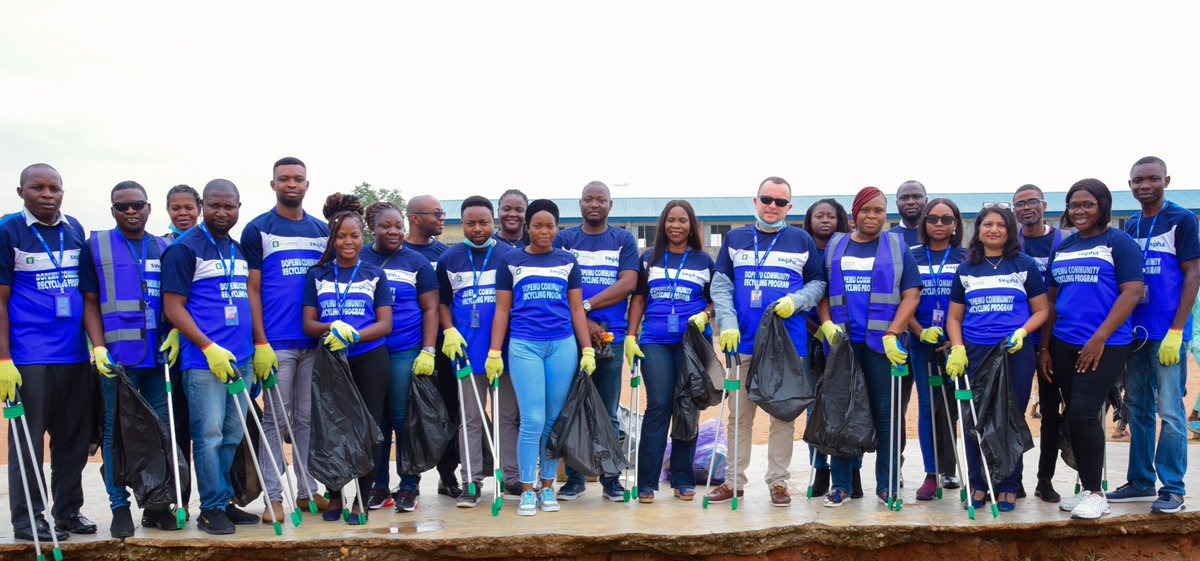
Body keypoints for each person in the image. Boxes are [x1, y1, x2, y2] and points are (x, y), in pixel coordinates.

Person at [706, 177, 826, 507]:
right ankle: (733, 482)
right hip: (743, 344)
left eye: (780, 202)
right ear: (755, 201)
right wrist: (727, 323)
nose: (772, 206)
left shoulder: (801, 240)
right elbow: (720, 287)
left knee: (783, 416)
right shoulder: (736, 238)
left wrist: (798, 300)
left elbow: (818, 284)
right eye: (766, 199)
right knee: (739, 417)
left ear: (789, 207)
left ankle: (778, 482)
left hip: (787, 347)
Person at [1, 163, 96, 542]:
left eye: (54, 188)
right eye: (37, 188)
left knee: (72, 442)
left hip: (73, 355)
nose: (46, 194)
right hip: (28, 358)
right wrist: (4, 359)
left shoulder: (74, 229)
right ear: (21, 191)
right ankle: (28, 519)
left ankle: (67, 512)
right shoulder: (9, 230)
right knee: (27, 443)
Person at [1039, 178, 1143, 520]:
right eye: (1073, 205)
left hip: (1106, 344)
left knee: (1084, 412)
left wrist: (1098, 338)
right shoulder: (1063, 247)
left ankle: (1097, 493)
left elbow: (1131, 292)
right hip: (1064, 344)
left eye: (1088, 204)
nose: (1080, 211)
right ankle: (1087, 489)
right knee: (1075, 414)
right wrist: (1045, 348)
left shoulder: (1119, 242)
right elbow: (1053, 302)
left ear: (1103, 206)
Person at [161, 179, 260, 534]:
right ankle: (210, 509)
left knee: (233, 434)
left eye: (229, 206)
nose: (223, 212)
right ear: (204, 206)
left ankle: (224, 500)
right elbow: (173, 307)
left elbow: (247, 296)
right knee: (209, 435)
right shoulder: (185, 249)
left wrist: (258, 346)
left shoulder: (236, 248)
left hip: (242, 359)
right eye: (215, 206)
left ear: (238, 207)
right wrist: (207, 346)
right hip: (204, 362)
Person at [80, 181, 177, 536]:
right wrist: (98, 346)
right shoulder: (96, 245)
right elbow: (90, 302)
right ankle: (119, 506)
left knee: (159, 432)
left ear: (149, 208)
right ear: (113, 211)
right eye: (122, 207)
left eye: (137, 205)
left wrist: (174, 333)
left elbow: (172, 299)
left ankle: (156, 505)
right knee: (115, 435)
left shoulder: (164, 247)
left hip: (157, 359)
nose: (131, 211)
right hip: (117, 362)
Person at [487, 199, 595, 516]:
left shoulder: (567, 261)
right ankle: (526, 490)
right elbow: (502, 310)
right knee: (532, 420)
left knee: (552, 420)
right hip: (524, 345)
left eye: (550, 226)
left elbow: (577, 309)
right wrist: (495, 350)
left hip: (562, 345)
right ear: (527, 227)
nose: (544, 231)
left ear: (556, 228)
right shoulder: (510, 261)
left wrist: (586, 347)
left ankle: (547, 488)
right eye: (537, 225)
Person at [818, 185, 921, 508]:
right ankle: (842, 486)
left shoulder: (897, 245)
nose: (872, 216)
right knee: (841, 414)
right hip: (843, 345)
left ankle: (887, 485)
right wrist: (825, 324)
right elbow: (822, 291)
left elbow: (911, 294)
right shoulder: (836, 245)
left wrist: (894, 332)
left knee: (885, 415)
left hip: (881, 345)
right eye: (866, 210)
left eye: (878, 210)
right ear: (854, 215)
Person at [241, 157, 331, 522]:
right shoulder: (257, 229)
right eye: (284, 179)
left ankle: (309, 491)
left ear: (307, 185)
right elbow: (252, 287)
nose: (291, 184)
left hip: (313, 342)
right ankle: (274, 498)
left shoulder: (321, 230)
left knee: (307, 420)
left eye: (298, 179)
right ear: (273, 184)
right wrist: (260, 341)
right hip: (276, 343)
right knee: (275, 421)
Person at [1108, 156, 1199, 514]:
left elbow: (1193, 275)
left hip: (1167, 333)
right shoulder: (1130, 225)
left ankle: (1173, 487)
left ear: (1166, 181)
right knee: (1138, 408)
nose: (1144, 185)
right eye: (1137, 181)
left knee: (1170, 410)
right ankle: (1141, 481)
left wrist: (1178, 330)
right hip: (1136, 333)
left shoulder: (1182, 220)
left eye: (1152, 179)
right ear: (1130, 185)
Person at [945, 205, 1048, 512]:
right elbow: (953, 317)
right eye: (987, 224)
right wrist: (958, 347)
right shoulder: (966, 269)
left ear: (1010, 229)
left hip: (1013, 352)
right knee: (975, 419)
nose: (993, 229)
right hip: (975, 352)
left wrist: (1022, 331)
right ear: (977, 230)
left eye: (1000, 225)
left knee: (1009, 418)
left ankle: (1008, 484)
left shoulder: (1024, 264)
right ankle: (978, 483)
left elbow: (1042, 309)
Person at [301, 193, 394, 525]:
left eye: (354, 235)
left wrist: (354, 333)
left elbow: (384, 323)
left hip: (369, 358)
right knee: (332, 428)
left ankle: (362, 501)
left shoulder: (375, 275)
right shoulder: (318, 275)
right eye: (341, 236)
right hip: (331, 361)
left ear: (362, 237)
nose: (348, 241)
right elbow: (308, 323)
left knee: (369, 429)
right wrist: (332, 327)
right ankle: (336, 496)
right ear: (333, 239)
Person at [553, 181, 640, 501]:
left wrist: (587, 307)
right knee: (572, 407)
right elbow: (557, 282)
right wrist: (581, 319)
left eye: (600, 200)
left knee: (608, 411)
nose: (594, 204)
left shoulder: (623, 239)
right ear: (580, 204)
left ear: (610, 205)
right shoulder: (565, 238)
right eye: (588, 199)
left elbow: (628, 282)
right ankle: (574, 478)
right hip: (570, 336)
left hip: (610, 338)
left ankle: (610, 478)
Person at [625, 200, 715, 503]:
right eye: (671, 220)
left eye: (683, 220)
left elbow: (715, 299)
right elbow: (638, 298)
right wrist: (630, 335)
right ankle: (647, 482)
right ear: (663, 224)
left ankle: (682, 479)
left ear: (692, 225)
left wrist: (706, 314)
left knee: (687, 406)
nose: (676, 226)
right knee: (659, 405)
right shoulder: (649, 257)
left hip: (692, 343)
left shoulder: (703, 260)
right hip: (654, 340)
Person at [435, 196, 518, 506]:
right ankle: (471, 481)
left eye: (484, 222)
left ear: (494, 222)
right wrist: (449, 330)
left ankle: (511, 477)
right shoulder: (449, 258)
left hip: (504, 353)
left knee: (508, 417)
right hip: (466, 352)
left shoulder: (511, 256)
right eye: (470, 223)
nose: (478, 228)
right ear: (462, 223)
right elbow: (442, 302)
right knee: (470, 418)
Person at [361, 201, 440, 514]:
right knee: (374, 420)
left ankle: (409, 484)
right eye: (385, 226)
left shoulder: (416, 261)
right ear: (373, 228)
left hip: (404, 350)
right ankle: (378, 485)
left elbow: (431, 308)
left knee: (403, 419)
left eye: (397, 226)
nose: (392, 232)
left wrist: (428, 349)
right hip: (367, 351)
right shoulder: (361, 257)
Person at [400, 194, 463, 499]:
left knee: (451, 411)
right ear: (414, 218)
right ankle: (408, 479)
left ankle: (447, 475)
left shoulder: (446, 254)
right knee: (409, 413)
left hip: (446, 346)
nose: (442, 218)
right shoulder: (398, 252)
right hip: (410, 347)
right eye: (436, 213)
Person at [906, 198, 966, 501]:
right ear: (924, 223)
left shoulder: (968, 256)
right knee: (928, 407)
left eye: (947, 219)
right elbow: (903, 299)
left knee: (955, 409)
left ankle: (951, 468)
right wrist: (919, 331)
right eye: (933, 219)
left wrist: (957, 340)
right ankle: (931, 474)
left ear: (956, 223)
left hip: (957, 344)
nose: (940, 224)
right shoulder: (911, 255)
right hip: (922, 342)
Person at [801, 198, 861, 498]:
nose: (824, 220)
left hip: (845, 338)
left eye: (830, 216)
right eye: (818, 216)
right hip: (812, 338)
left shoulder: (847, 248)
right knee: (815, 409)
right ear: (809, 220)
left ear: (840, 219)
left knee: (848, 406)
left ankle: (852, 471)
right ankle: (820, 470)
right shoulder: (802, 249)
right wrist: (817, 330)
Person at [1013, 183, 1068, 502]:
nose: (1026, 208)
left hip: (1057, 338)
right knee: (1013, 410)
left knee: (1050, 410)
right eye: (1019, 204)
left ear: (1044, 205)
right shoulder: (1009, 244)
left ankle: (1044, 479)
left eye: (1032, 202)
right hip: (1017, 339)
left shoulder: (1064, 240)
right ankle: (1012, 476)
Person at [891, 180, 928, 249]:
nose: (911, 202)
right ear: (897, 203)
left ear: (926, 201)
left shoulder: (936, 235)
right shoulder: (887, 238)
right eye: (904, 198)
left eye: (917, 197)